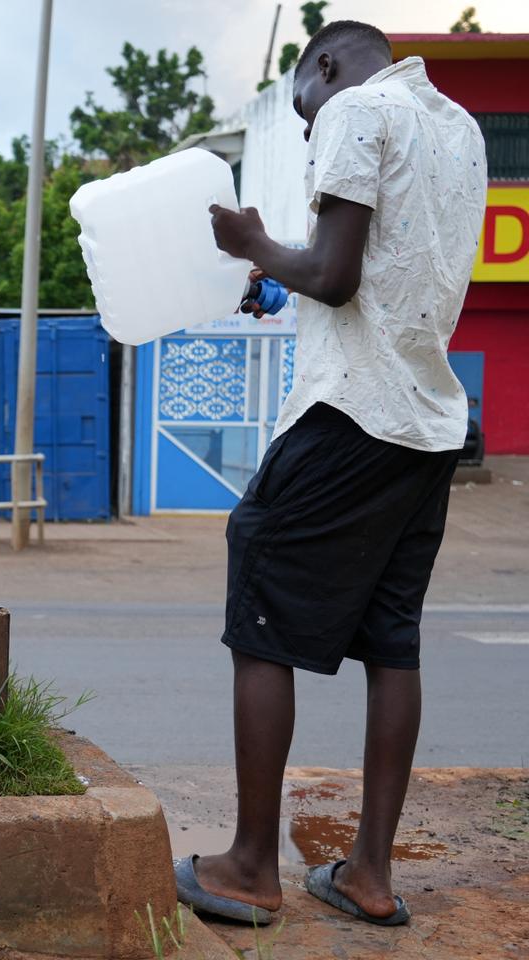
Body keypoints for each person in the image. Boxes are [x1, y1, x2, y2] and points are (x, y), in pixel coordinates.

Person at [175, 21, 486, 927]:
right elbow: (385, 275)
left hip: (349, 410)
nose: (311, 129)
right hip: (426, 419)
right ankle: (369, 875)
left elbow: (338, 274)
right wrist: (281, 281)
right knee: (392, 641)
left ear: (324, 65)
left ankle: (247, 867)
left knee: (261, 597)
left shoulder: (358, 106)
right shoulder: (459, 128)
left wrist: (252, 242)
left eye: (304, 112)